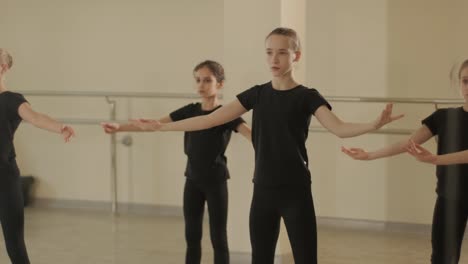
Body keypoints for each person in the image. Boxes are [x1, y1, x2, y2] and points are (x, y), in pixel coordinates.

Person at [130, 28, 402, 264]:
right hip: (262, 192)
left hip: (296, 192)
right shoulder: (256, 94)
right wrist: (160, 126)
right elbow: (209, 120)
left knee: (306, 259)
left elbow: (339, 128)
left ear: (296, 55)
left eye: (282, 52)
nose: (274, 58)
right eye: (269, 52)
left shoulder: (307, 97)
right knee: (260, 258)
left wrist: (373, 124)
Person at [102, 60, 251, 264]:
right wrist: (118, 127)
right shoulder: (189, 111)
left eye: (207, 80)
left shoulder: (226, 114)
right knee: (192, 236)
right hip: (192, 180)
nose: (201, 85)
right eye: (198, 80)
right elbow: (154, 125)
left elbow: (251, 136)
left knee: (218, 237)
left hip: (216, 182)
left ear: (220, 84)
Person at [342, 59, 468, 263]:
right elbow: (407, 144)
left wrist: (435, 159)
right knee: (443, 258)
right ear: (459, 83)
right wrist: (370, 155)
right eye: (466, 81)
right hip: (449, 198)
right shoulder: (444, 117)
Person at [0, 48, 75, 264]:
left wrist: (59, 127)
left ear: (3, 68)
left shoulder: (11, 100)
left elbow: (35, 117)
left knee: (14, 243)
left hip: (4, 179)